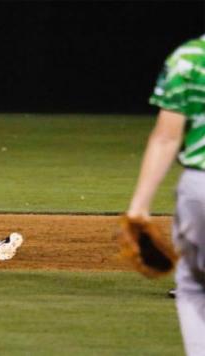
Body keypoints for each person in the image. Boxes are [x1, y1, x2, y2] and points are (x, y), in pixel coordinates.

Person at [126, 35, 204, 356]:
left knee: (194, 285)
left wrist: (139, 207)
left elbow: (166, 137)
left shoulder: (191, 56)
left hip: (201, 187)